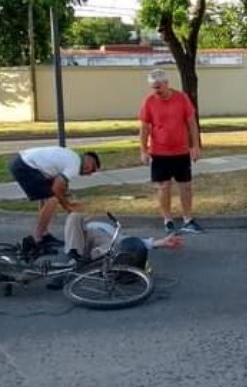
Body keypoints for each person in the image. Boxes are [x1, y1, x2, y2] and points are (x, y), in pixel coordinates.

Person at [43, 212, 183, 290]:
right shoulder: (83, 226)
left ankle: (76, 266)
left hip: (104, 246)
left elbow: (130, 240)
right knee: (74, 216)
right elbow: (75, 226)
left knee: (116, 245)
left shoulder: (111, 229)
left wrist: (161, 242)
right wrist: (82, 224)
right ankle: (76, 259)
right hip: (81, 243)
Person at [139, 68, 204, 235]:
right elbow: (144, 128)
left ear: (167, 84)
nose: (156, 91)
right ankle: (167, 219)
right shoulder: (149, 102)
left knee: (186, 187)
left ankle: (188, 219)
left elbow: (191, 124)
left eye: (158, 86)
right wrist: (143, 150)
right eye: (153, 87)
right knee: (164, 187)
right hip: (159, 152)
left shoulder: (182, 98)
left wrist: (195, 146)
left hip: (181, 151)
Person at [8, 146, 100, 252]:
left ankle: (44, 234)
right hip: (25, 165)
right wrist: (68, 206)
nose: (90, 173)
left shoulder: (73, 158)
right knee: (52, 200)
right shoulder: (75, 164)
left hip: (24, 161)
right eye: (92, 168)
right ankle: (37, 239)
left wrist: (65, 198)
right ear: (88, 159)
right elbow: (56, 189)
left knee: (47, 198)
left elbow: (58, 184)